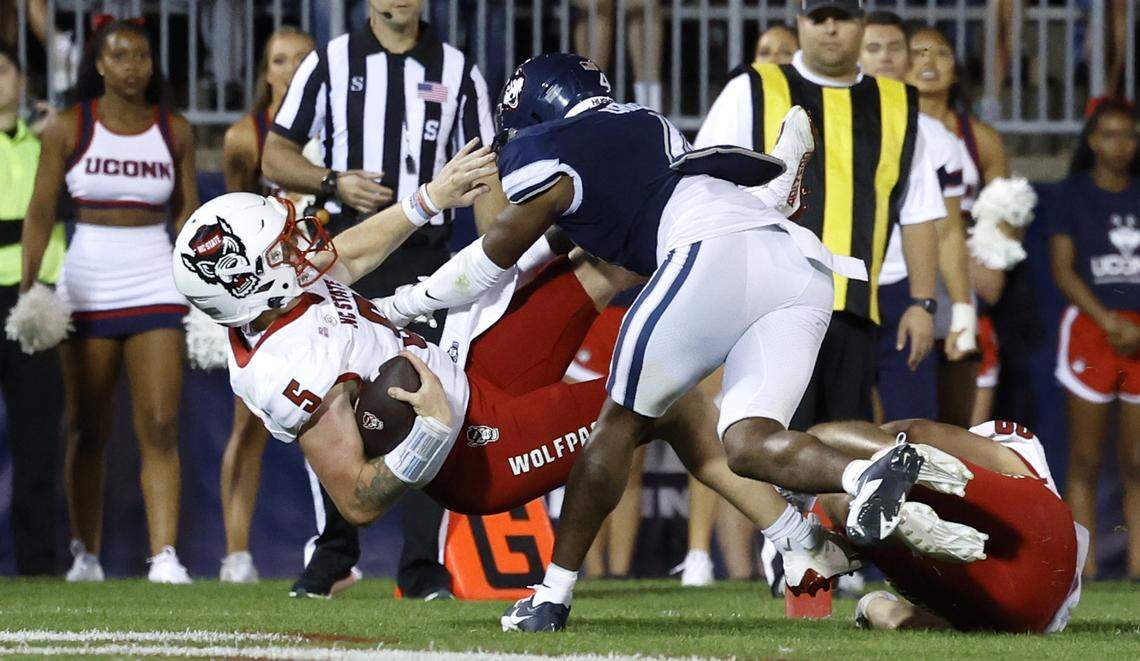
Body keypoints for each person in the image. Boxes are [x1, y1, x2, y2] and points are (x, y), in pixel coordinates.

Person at [377, 53, 952, 633]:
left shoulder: (545, 147)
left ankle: (550, 599)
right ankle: (860, 482)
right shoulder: (646, 121)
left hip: (712, 253)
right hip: (798, 263)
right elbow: (572, 229)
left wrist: (402, 303)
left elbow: (492, 256)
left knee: (617, 426)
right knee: (749, 443)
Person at [172, 148, 865, 612]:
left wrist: (428, 198)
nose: (300, 237)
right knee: (670, 401)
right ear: (250, 286)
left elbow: (344, 255)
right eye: (280, 246)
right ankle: (798, 540)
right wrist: (428, 438)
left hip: (467, 366)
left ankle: (751, 220)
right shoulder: (284, 369)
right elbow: (355, 498)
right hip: (472, 449)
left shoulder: (280, 290)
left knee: (600, 257)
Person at [261, 0, 498, 600]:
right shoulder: (330, 61)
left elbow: (488, 172)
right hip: (348, 254)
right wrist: (331, 182)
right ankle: (333, 556)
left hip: (428, 260)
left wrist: (501, 259)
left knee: (429, 401)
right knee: (330, 401)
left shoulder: (458, 68)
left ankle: (421, 570)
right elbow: (275, 154)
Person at [696, 0, 944, 432]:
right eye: (819, 17)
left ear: (862, 25)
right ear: (800, 22)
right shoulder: (751, 88)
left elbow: (920, 209)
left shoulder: (897, 106)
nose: (830, 28)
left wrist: (923, 302)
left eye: (842, 18)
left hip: (852, 310)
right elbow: (705, 189)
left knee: (840, 453)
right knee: (757, 445)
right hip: (763, 307)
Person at [20, 19, 198, 582]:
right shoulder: (71, 126)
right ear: (98, 63)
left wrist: (207, 291)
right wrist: (30, 289)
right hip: (89, 280)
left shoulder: (177, 131)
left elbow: (190, 219)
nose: (131, 66)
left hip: (155, 276)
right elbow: (41, 211)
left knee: (162, 424)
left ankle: (165, 557)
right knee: (89, 427)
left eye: (141, 55)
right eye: (119, 55)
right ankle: (86, 555)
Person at [801, 418, 1086, 633]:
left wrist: (873, 604)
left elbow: (899, 617)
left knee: (832, 482)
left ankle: (874, 498)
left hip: (1003, 607)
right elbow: (919, 432)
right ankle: (888, 471)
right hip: (1031, 607)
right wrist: (873, 605)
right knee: (831, 464)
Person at [216, 25, 315, 584]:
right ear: (266, 72)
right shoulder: (243, 136)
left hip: (328, 282)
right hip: (265, 297)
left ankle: (335, 549)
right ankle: (236, 554)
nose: (294, 67)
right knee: (250, 424)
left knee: (338, 417)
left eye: (305, 58)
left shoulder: (338, 125)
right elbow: (224, 224)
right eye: (282, 59)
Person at [859, 12, 976, 427]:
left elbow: (946, 229)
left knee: (914, 431)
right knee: (837, 431)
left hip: (902, 288)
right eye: (874, 48)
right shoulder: (819, 118)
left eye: (896, 49)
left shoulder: (936, 138)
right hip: (835, 288)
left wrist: (959, 307)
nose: (886, 58)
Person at [903, 25, 1015, 427]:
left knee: (962, 427)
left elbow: (1006, 209)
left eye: (942, 54)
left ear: (956, 69)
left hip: (960, 270)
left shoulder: (979, 138)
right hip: (904, 266)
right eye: (918, 52)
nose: (929, 63)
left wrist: (991, 262)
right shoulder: (888, 126)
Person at [1048, 98, 1140, 581]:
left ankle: (1137, 567)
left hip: (1139, 331)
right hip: (1092, 330)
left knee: (1137, 460)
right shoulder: (1071, 195)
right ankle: (1080, 568)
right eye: (1109, 134)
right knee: (1084, 458)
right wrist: (1109, 321)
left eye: (1128, 135)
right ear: (1092, 140)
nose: (1119, 144)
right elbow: (1063, 270)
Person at [0, 42, 65, 576]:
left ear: (22, 80)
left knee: (39, 437)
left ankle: (39, 566)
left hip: (32, 301)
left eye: (2, 70)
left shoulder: (48, 143)